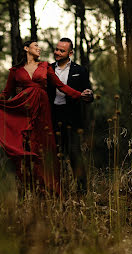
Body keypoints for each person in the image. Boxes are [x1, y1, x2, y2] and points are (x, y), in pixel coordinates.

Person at [0, 40, 92, 194]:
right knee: (29, 148)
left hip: (44, 112)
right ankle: (34, 188)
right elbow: (5, 94)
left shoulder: (45, 66)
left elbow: (61, 86)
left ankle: (54, 188)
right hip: (26, 110)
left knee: (46, 148)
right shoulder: (15, 71)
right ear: (26, 48)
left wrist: (79, 95)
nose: (39, 48)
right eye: (36, 46)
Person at [47, 38, 93, 192]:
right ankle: (54, 191)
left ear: (70, 53)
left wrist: (89, 94)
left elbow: (87, 93)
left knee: (74, 154)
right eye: (57, 49)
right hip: (52, 117)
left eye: (62, 50)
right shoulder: (47, 69)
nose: (57, 53)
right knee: (53, 155)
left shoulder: (80, 71)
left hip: (71, 118)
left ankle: (82, 191)